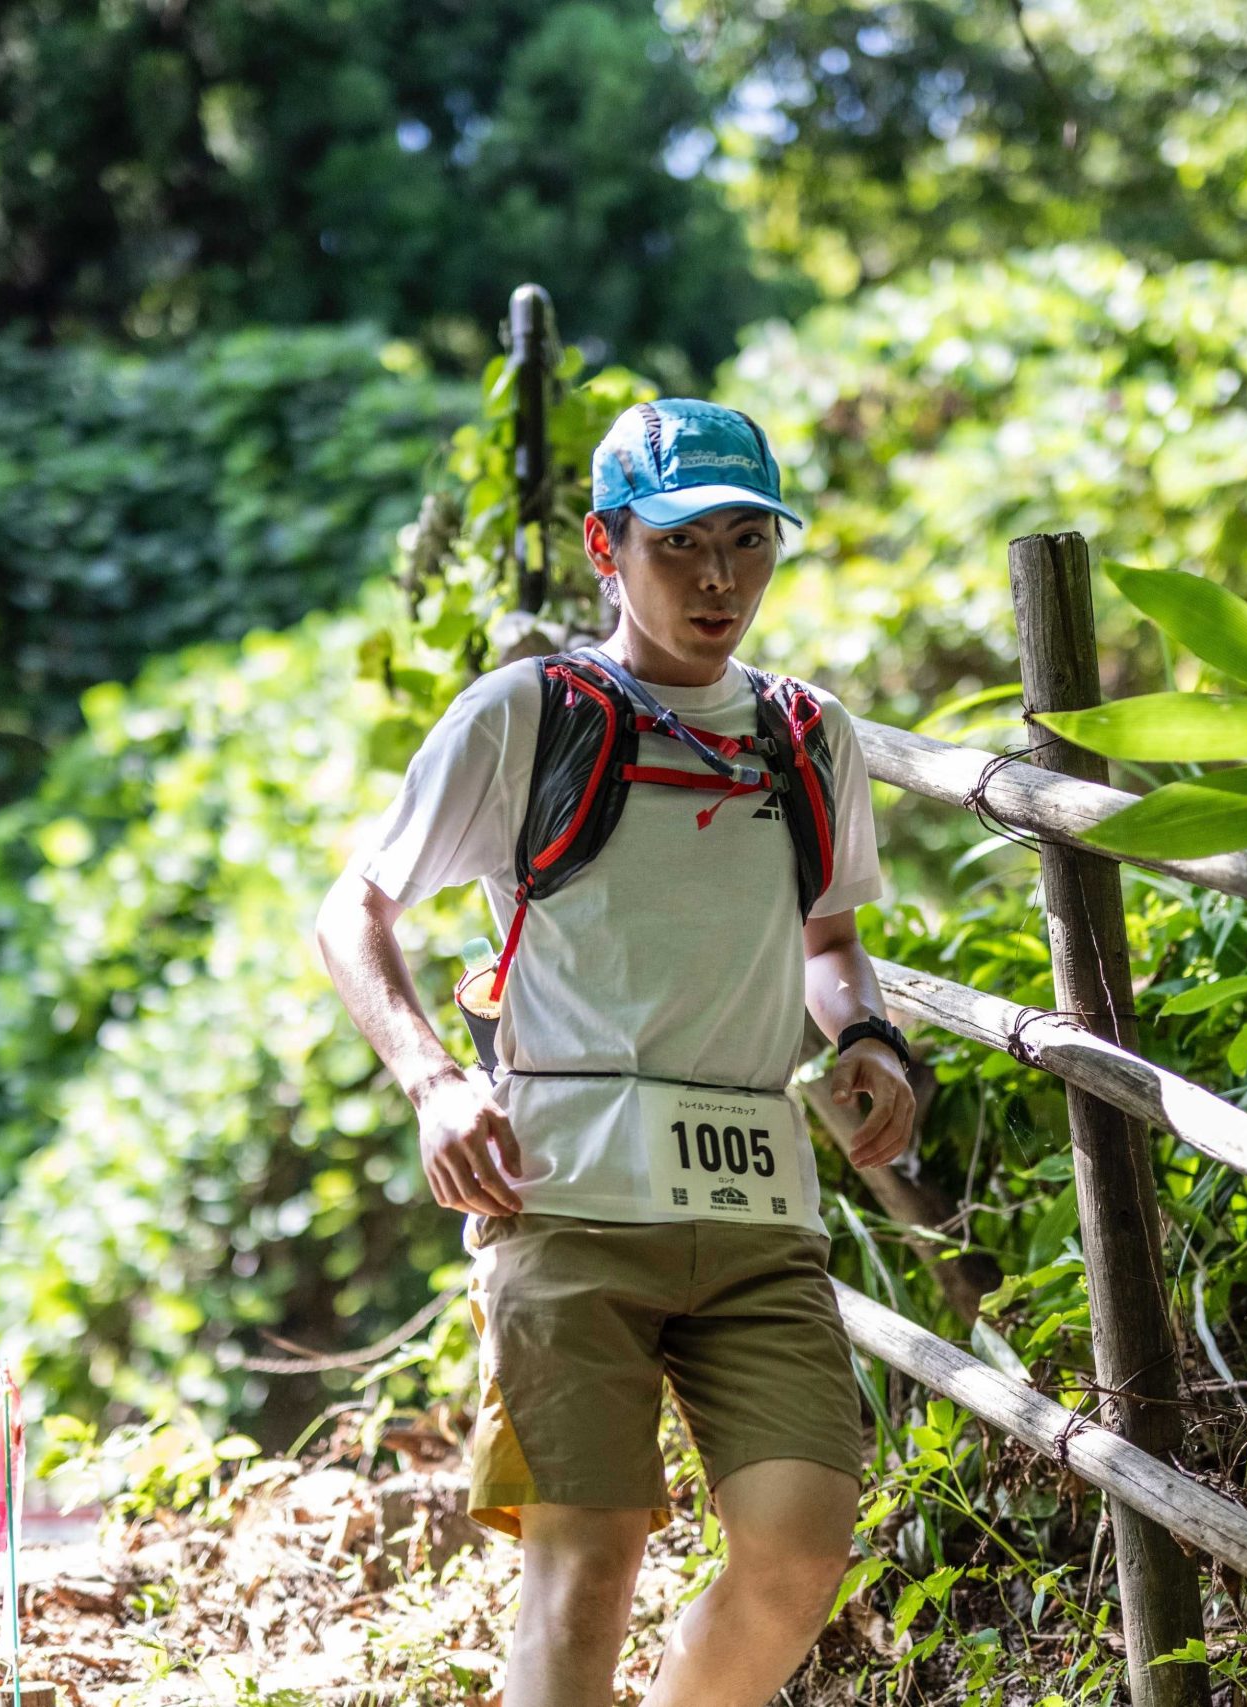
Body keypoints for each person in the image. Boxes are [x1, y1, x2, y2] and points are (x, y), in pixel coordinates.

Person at [314, 397, 917, 1707]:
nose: (718, 579)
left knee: (799, 1555)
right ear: (607, 547)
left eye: (748, 543)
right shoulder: (525, 717)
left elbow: (827, 943)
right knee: (584, 1572)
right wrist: (432, 1080)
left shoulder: (808, 738)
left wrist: (868, 1036)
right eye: (680, 544)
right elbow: (351, 908)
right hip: (564, 1208)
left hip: (759, 1218)